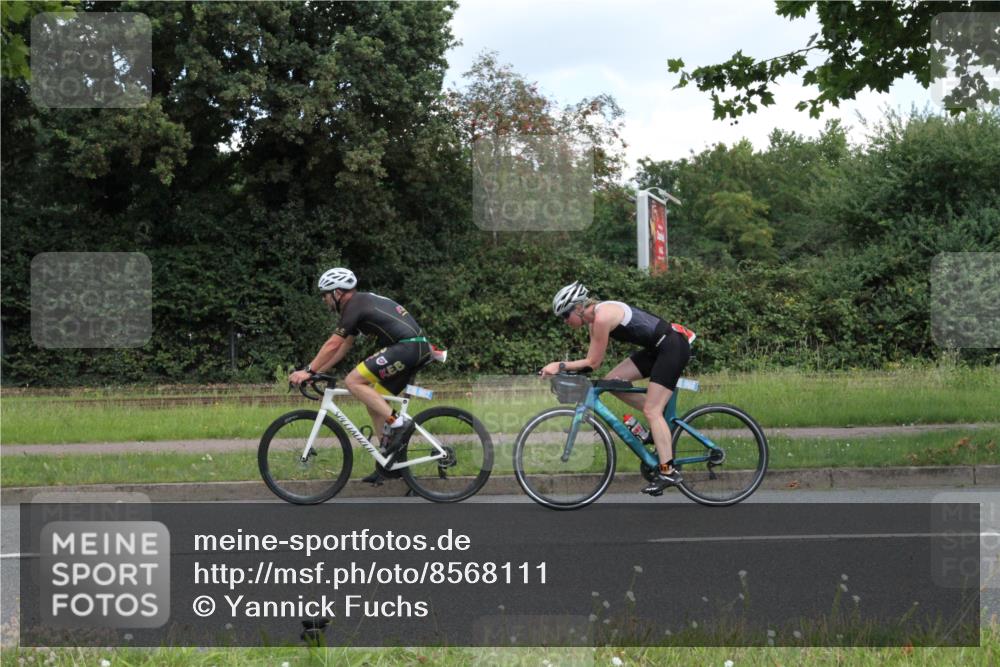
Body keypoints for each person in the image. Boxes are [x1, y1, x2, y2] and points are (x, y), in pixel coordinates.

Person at [540, 281, 696, 495]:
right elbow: (591, 365)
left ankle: (668, 471)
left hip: (672, 347)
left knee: (653, 410)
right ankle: (657, 428)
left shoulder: (602, 317)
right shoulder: (594, 321)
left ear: (578, 308)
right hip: (657, 349)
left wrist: (559, 365)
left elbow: (592, 362)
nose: (565, 321)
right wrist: (564, 370)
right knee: (612, 381)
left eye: (565, 315)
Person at [288, 268, 432, 482]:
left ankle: (398, 423)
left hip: (408, 347)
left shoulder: (354, 305)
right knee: (374, 401)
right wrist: (318, 372)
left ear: (337, 293)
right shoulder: (359, 305)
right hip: (412, 348)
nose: (324, 300)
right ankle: (389, 462)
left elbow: (333, 343)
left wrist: (308, 370)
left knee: (353, 381)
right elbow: (343, 347)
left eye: (325, 295)